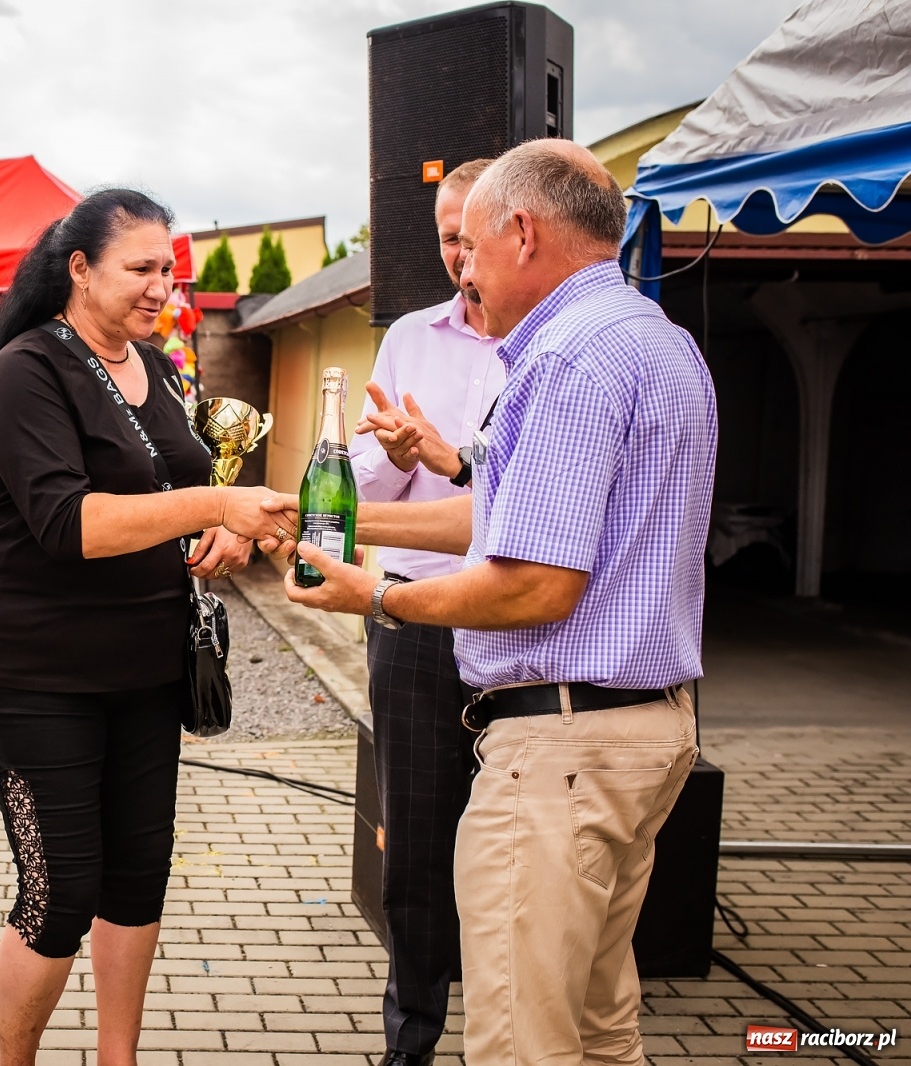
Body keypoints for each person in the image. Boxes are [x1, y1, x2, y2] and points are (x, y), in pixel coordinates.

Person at [280, 140, 716, 1066]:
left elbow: (534, 583)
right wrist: (346, 534)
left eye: (470, 247)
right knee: (599, 1030)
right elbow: (508, 517)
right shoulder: (659, 340)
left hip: (560, 754)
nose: (463, 272)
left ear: (524, 232)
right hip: (646, 736)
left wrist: (380, 597)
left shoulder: (563, 358)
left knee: (523, 1044)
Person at [0, 188, 298, 1066]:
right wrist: (216, 499)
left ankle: (120, 1060)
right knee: (61, 890)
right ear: (79, 268)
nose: (160, 287)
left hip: (147, 663)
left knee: (138, 878)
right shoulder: (27, 369)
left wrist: (216, 529)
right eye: (140, 268)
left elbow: (168, 491)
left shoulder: (162, 369)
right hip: (35, 667)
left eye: (168, 270)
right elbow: (68, 522)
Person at [346, 157, 502, 1066]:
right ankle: (411, 1041)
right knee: (413, 838)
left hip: (526, 618)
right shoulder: (409, 336)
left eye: (466, 236)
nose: (454, 253)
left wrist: (454, 457)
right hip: (411, 617)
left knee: (510, 837)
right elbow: (368, 487)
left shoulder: (551, 344)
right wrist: (387, 449)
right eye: (444, 236)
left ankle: (508, 1026)